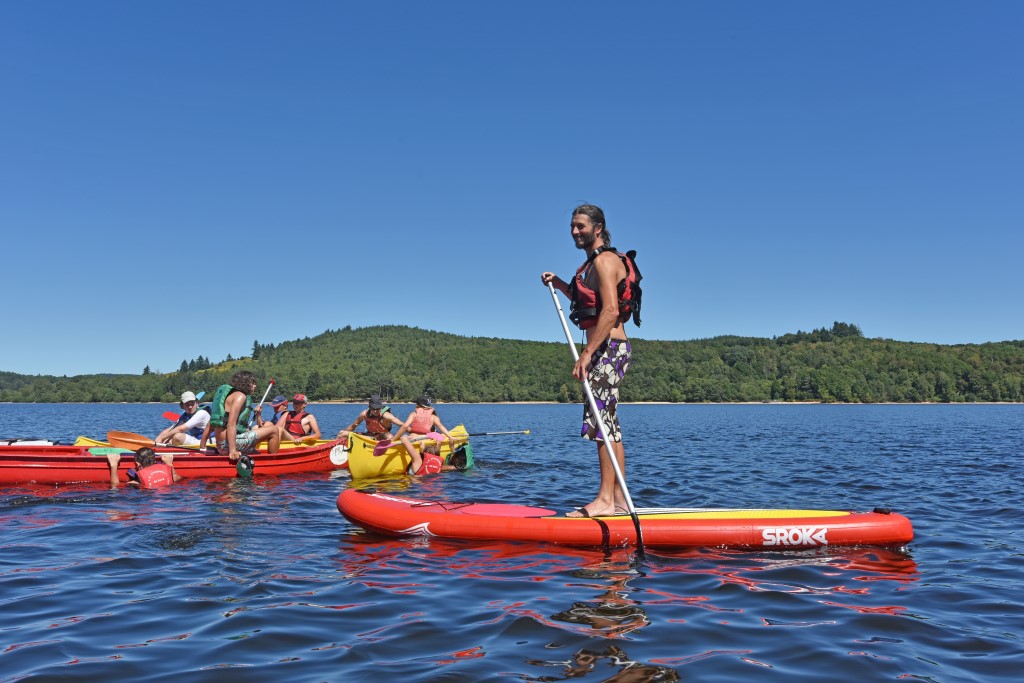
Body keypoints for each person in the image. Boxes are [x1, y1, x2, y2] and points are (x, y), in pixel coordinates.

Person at [541, 204, 642, 518]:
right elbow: (587, 299)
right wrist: (559, 283)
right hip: (608, 349)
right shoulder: (591, 265)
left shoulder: (605, 261)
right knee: (608, 424)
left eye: (581, 226)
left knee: (602, 424)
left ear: (598, 228)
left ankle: (605, 501)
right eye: (572, 226)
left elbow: (610, 311)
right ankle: (619, 499)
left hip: (608, 349)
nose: (575, 231)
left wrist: (587, 354)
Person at [198, 370, 281, 462]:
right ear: (245, 383)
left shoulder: (229, 396)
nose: (255, 386)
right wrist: (233, 451)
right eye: (252, 383)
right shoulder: (240, 396)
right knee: (274, 430)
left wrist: (202, 446)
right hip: (228, 446)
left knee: (256, 453)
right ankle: (273, 462)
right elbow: (231, 424)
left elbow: (211, 423)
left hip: (220, 446)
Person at [391, 395, 457, 475]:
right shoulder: (433, 417)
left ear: (418, 405)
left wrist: (394, 439)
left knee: (404, 437)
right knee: (437, 438)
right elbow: (440, 426)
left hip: (412, 437)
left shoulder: (413, 414)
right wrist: (450, 436)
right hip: (424, 439)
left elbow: (405, 426)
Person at [337, 394, 404, 441]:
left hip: (383, 437)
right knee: (341, 433)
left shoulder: (386, 415)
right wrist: (345, 433)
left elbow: (403, 425)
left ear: (380, 407)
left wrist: (398, 437)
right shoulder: (364, 414)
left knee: (389, 436)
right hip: (369, 436)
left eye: (377, 409)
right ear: (369, 407)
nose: (375, 411)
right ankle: (333, 448)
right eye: (373, 409)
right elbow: (353, 426)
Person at [106, 447, 181, 488]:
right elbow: (176, 477)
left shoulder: (138, 482)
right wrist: (169, 464)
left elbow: (115, 485)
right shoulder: (171, 475)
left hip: (145, 498)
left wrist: (114, 465)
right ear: (155, 462)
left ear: (137, 464)